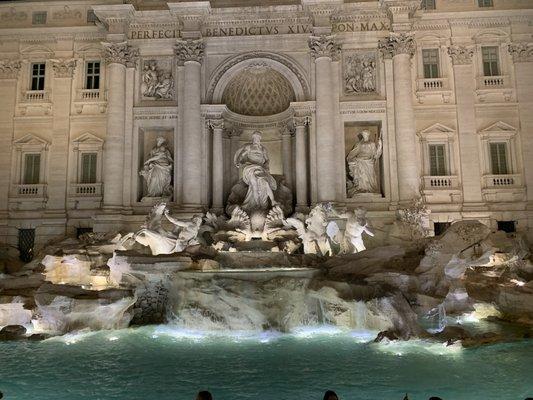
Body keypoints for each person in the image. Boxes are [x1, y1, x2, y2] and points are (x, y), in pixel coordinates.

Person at [233, 131, 278, 213]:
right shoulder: (249, 147)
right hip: (250, 168)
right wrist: (238, 162)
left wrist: (266, 167)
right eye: (255, 138)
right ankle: (257, 205)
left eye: (258, 138)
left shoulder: (263, 149)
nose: (257, 139)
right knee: (254, 183)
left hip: (260, 168)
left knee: (265, 182)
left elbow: (267, 159)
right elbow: (242, 155)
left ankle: (272, 201)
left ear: (260, 139)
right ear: (253, 138)